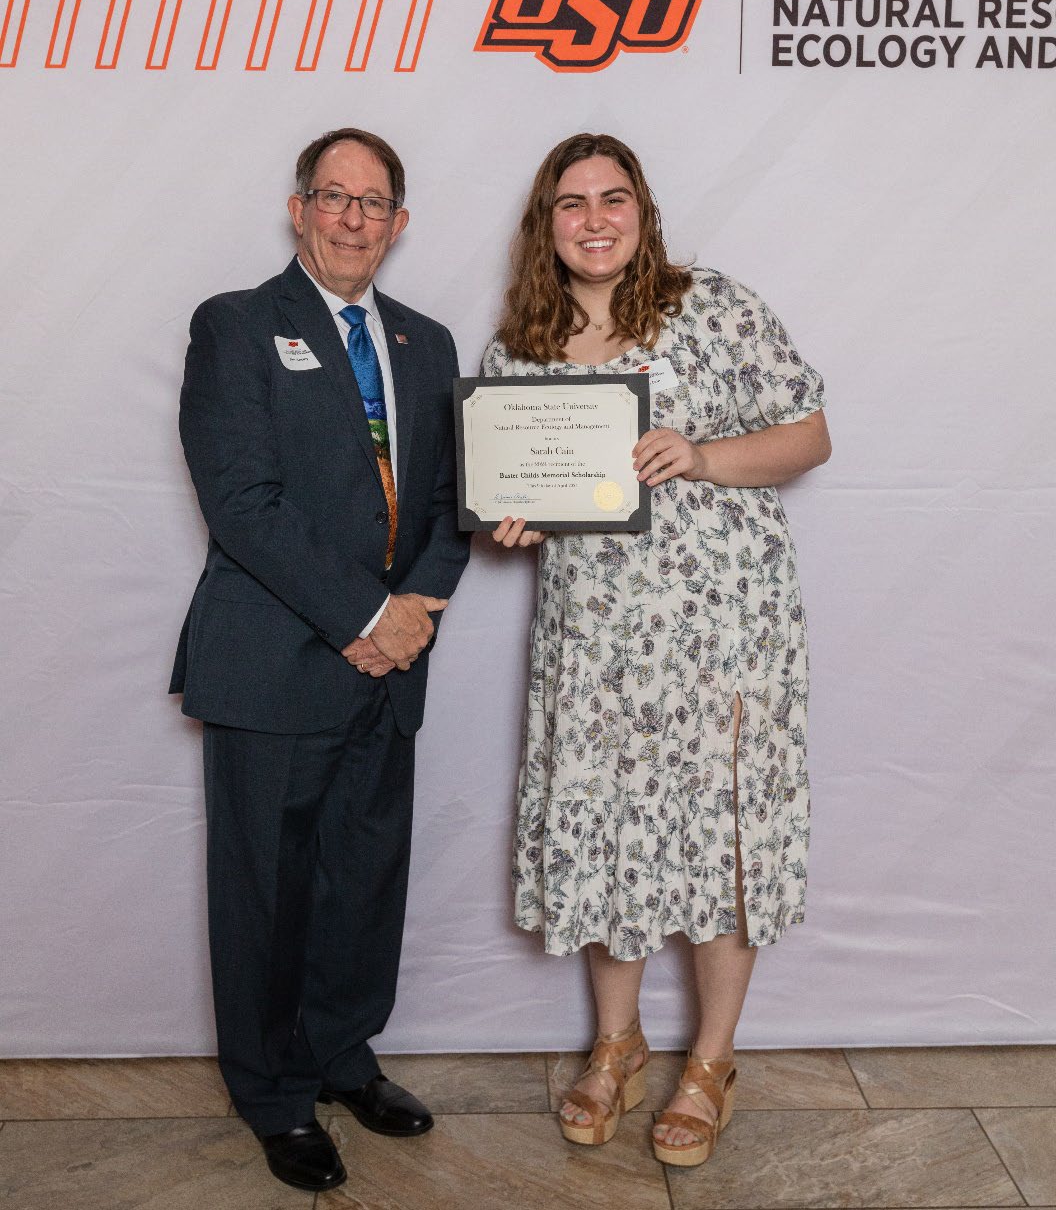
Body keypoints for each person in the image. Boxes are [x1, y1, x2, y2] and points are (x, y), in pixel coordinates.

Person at [481, 133, 830, 1166]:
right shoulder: (518, 350)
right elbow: (512, 489)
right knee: (608, 828)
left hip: (725, 631)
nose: (594, 220)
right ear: (546, 223)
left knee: (720, 835)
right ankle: (617, 1044)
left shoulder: (713, 305)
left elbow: (810, 435)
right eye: (572, 203)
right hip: (596, 640)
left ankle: (711, 1062)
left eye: (613, 198)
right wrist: (512, 519)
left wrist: (703, 455)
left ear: (643, 211)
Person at [170, 127, 470, 1192]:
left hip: (391, 667)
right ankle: (273, 1094)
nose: (353, 218)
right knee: (268, 890)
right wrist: (368, 615)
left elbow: (453, 501)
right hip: (275, 662)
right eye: (333, 197)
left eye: (373, 202)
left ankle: (342, 1056)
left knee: (364, 878)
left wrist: (413, 612)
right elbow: (242, 503)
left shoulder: (429, 343)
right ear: (298, 210)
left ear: (400, 222)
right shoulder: (237, 325)